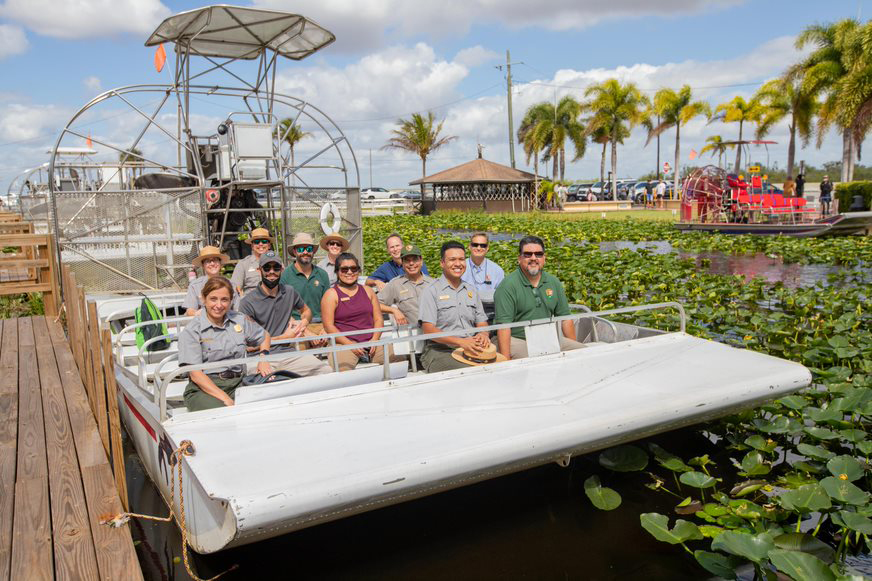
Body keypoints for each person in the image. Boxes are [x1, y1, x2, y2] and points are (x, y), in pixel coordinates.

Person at [177, 277, 272, 412]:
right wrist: (225, 398)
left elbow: (264, 336)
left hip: (238, 383)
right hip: (204, 389)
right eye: (213, 299)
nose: (219, 305)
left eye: (224, 299)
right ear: (203, 299)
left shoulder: (239, 319)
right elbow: (196, 375)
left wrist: (263, 358)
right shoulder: (192, 331)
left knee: (269, 401)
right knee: (223, 413)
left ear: (231, 301)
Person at [238, 252, 332, 376]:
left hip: (288, 354)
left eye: (276, 267)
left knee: (326, 371)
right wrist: (285, 337)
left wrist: (302, 324)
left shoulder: (288, 291)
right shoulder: (247, 302)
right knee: (264, 382)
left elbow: (306, 311)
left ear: (281, 269)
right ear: (259, 270)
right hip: (260, 357)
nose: (272, 271)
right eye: (267, 268)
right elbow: (248, 348)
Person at [494, 235, 584, 360]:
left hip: (547, 338)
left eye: (538, 254)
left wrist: (573, 351)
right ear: (519, 258)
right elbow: (504, 327)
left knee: (585, 353)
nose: (533, 258)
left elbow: (565, 319)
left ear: (544, 258)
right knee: (542, 359)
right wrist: (505, 362)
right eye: (528, 254)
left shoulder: (553, 282)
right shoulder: (508, 286)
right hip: (517, 340)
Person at [418, 241, 490, 373]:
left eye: (461, 259)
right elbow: (428, 330)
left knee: (499, 365)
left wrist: (483, 334)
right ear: (442, 263)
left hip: (471, 347)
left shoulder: (471, 290)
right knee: (472, 371)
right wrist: (460, 342)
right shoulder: (431, 291)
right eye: (452, 260)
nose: (458, 264)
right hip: (440, 350)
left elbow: (482, 322)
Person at [321, 253, 395, 371]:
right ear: (337, 272)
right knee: (343, 371)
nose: (350, 272)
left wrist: (375, 340)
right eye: (344, 269)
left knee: (398, 361)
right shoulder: (331, 295)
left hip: (371, 342)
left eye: (353, 268)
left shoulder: (368, 291)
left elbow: (378, 319)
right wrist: (350, 344)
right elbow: (328, 326)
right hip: (344, 344)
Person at [279, 233, 330, 349]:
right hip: (297, 326)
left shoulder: (322, 274)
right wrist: (304, 331)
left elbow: (329, 306)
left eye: (309, 249)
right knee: (300, 351)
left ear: (313, 251)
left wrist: (327, 328)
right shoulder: (285, 276)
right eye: (301, 249)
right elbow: (282, 309)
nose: (305, 252)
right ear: (295, 252)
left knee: (338, 352)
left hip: (322, 325)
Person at [378, 244, 435, 326]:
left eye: (415, 260)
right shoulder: (396, 284)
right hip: (411, 336)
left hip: (435, 334)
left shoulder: (433, 284)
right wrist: (394, 310)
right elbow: (375, 304)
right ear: (402, 263)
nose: (411, 263)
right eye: (407, 260)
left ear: (421, 261)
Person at [182, 246, 239, 316]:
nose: (212, 263)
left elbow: (237, 308)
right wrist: (197, 313)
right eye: (208, 261)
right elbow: (190, 310)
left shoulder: (231, 284)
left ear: (220, 263)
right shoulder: (195, 286)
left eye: (215, 260)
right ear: (203, 265)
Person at [460, 232, 504, 303]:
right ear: (469, 247)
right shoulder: (460, 267)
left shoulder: (497, 270)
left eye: (483, 245)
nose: (478, 248)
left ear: (487, 248)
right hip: (465, 306)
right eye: (475, 245)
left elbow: (502, 296)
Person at [230, 227, 274, 297]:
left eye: (264, 241)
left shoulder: (277, 262)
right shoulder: (243, 264)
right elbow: (235, 288)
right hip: (251, 304)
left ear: (269, 245)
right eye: (256, 242)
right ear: (252, 246)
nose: (260, 244)